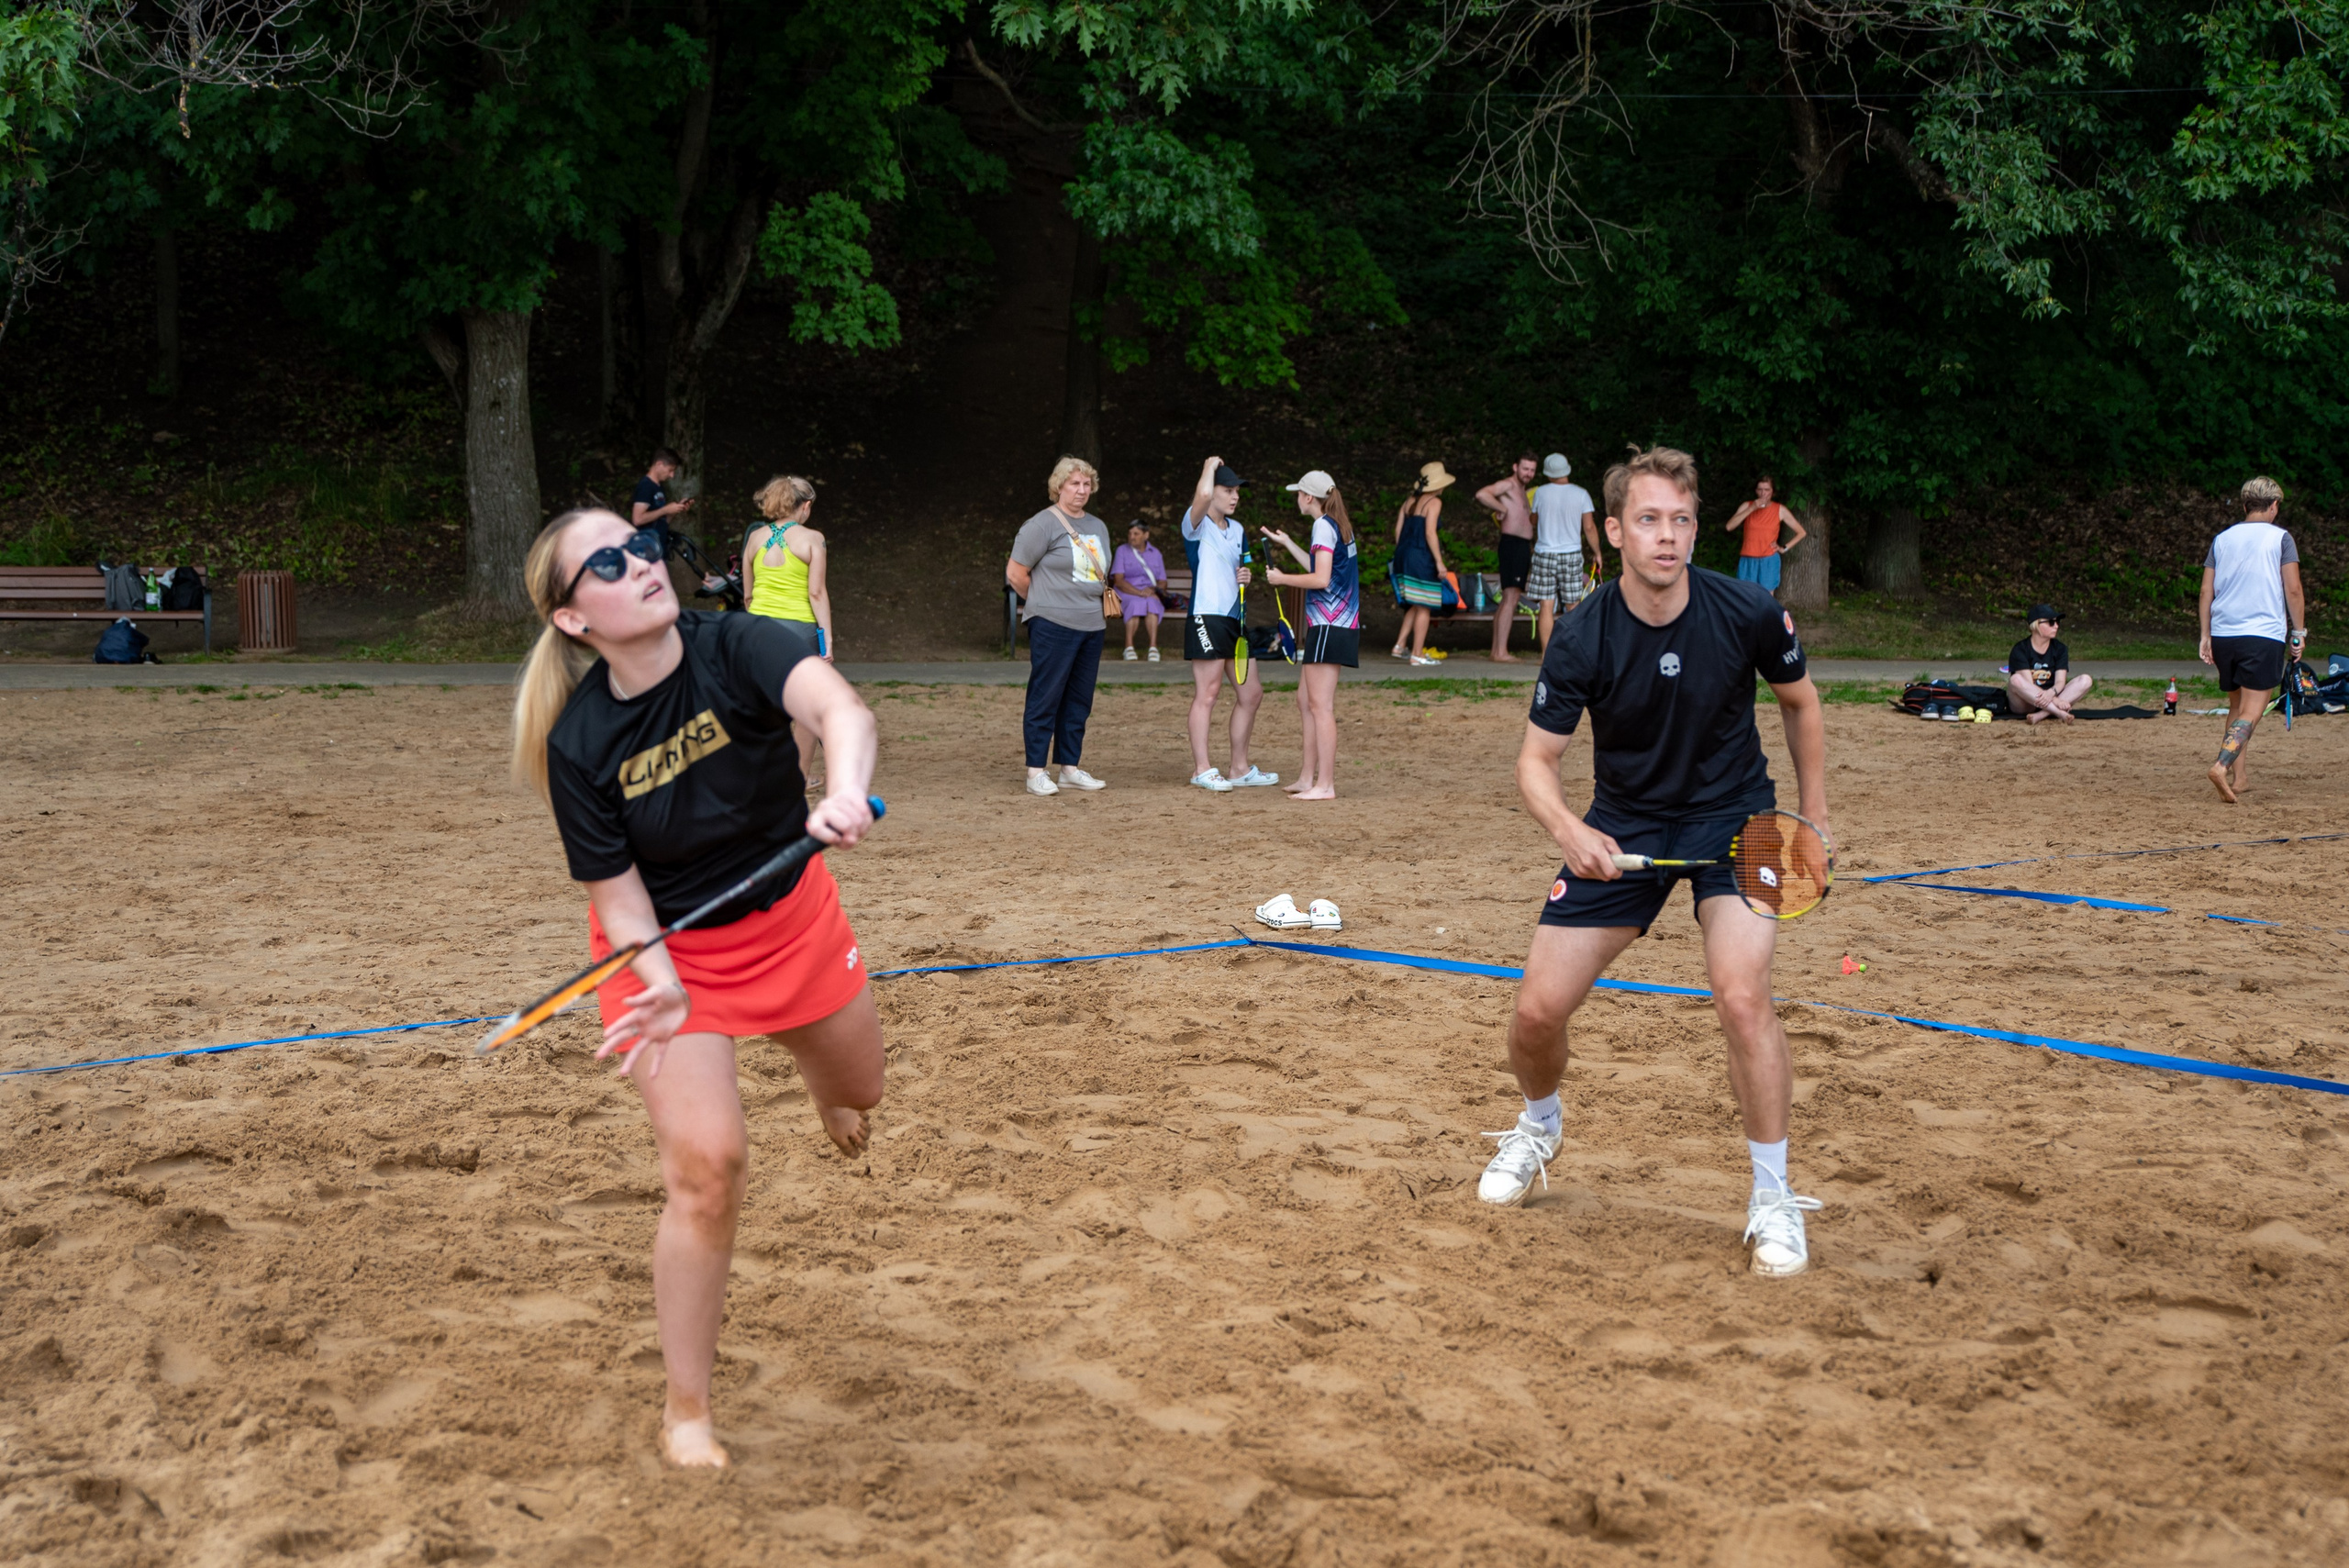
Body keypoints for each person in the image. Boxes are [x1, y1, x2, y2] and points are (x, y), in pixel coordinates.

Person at [511, 506, 883, 1471]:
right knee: (707, 1169)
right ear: (570, 618)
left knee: (860, 1091)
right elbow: (620, 898)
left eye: (640, 547)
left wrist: (842, 786)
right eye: (605, 561)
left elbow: (841, 710)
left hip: (790, 913)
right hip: (671, 956)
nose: (637, 563)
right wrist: (662, 984)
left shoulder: (739, 642)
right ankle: (686, 1410)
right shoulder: (579, 742)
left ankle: (817, 1068)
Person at [1478, 446, 1831, 1281]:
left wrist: (1812, 817)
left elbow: (1801, 702)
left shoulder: (1749, 610)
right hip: (1623, 831)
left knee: (1743, 996)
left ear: (1696, 528)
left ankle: (1773, 1197)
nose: (1666, 537)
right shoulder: (1583, 633)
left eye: (1679, 520)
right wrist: (1569, 829)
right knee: (1535, 1013)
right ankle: (1539, 1123)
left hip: (1737, 825)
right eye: (1648, 520)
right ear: (1614, 531)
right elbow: (1535, 763)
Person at [1008, 456, 1117, 796]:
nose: (1081, 490)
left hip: (1091, 624)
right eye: (1074, 484)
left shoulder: (1098, 526)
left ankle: (1069, 767)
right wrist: (1043, 602)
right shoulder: (1041, 524)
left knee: (1079, 700)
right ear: (1059, 486)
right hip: (1053, 623)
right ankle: (1035, 771)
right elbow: (1015, 574)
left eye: (1087, 484)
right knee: (1046, 696)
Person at [2199, 475, 2308, 803]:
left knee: (2236, 705)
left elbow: (2207, 590)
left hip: (2225, 634)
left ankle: (2240, 777)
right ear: (2274, 506)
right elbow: (2293, 589)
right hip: (2262, 634)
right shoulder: (2281, 539)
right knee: (2254, 710)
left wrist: (2205, 634)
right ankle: (2221, 766)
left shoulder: (2222, 539)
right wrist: (2298, 633)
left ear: (2245, 506)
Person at [1181, 456, 1278, 791]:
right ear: (1213, 490)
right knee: (1207, 694)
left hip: (1235, 619)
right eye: (1228, 490)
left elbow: (1239, 569)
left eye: (1237, 491)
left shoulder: (1237, 530)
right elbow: (1202, 498)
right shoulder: (1195, 525)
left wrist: (1246, 575)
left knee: (1251, 694)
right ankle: (1202, 768)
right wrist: (1207, 466)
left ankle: (1238, 767)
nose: (1235, 497)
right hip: (1205, 616)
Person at [1264, 470, 1360, 800]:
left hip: (1330, 624)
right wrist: (1288, 542)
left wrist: (1281, 578)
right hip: (1333, 624)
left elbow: (1319, 580)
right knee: (1306, 701)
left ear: (1308, 497)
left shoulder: (1322, 525)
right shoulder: (1335, 523)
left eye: (1298, 494)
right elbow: (1323, 568)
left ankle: (1326, 785)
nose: (1296, 499)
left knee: (1320, 706)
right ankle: (1308, 778)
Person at [741, 474, 830, 776]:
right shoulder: (812, 539)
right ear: (805, 507)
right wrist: (826, 640)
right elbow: (816, 593)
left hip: (758, 630)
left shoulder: (754, 538)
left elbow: (748, 596)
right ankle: (798, 778)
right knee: (807, 709)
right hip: (799, 631)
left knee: (761, 703)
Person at [1528, 453, 1601, 651]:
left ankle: (1546, 655)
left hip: (1544, 554)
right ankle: (1575, 653)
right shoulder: (1581, 494)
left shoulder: (1540, 493)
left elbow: (1532, 521)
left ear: (1548, 473)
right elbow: (1589, 527)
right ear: (1567, 469)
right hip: (1570, 555)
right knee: (1573, 606)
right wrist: (1597, 552)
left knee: (1546, 605)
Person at [632, 448, 727, 595]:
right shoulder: (646, 486)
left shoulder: (659, 488)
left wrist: (675, 510)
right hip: (646, 550)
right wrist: (665, 510)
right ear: (659, 464)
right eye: (670, 470)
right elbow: (638, 519)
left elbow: (661, 521)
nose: (672, 475)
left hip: (659, 548)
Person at [1475, 453, 1540, 662]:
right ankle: (1501, 651)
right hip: (1512, 544)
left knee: (1508, 598)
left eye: (1532, 470)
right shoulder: (1508, 485)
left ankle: (1497, 650)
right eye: (1525, 469)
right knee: (1511, 597)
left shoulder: (1523, 491)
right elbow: (1482, 494)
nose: (1528, 473)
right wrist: (1500, 508)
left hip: (1520, 545)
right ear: (1515, 467)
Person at [1389, 462, 1455, 666]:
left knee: (1416, 601)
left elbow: (1397, 531)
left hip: (1403, 555)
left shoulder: (1409, 501)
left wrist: (1403, 552)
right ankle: (1417, 654)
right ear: (1438, 485)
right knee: (1426, 604)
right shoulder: (1434, 503)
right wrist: (1439, 562)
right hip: (1421, 557)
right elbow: (1429, 533)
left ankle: (1400, 645)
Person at [1724, 476, 1809, 597]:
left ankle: (1766, 617)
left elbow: (1801, 532)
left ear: (1773, 492)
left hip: (1769, 560)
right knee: (1744, 597)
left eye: (1767, 490)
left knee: (1766, 599)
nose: (1763, 493)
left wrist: (1783, 548)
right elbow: (1729, 527)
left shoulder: (1779, 509)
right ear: (1756, 491)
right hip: (1748, 558)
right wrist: (1752, 508)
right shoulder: (1747, 506)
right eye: (1760, 489)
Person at [2007, 605, 2090, 724]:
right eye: (2051, 622)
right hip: (2026, 703)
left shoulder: (2060, 648)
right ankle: (2058, 712)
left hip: (2051, 695)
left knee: (2086, 680)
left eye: (2057, 622)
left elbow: (2060, 682)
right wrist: (2056, 701)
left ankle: (2041, 715)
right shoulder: (2020, 649)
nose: (2056, 626)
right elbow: (2028, 686)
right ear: (2036, 625)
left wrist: (2051, 693)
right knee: (2015, 679)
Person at [1112, 520, 1168, 662]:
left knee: (1152, 603)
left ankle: (1153, 647)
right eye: (1130, 533)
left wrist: (1155, 590)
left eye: (1136, 534)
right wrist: (1138, 592)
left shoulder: (1155, 553)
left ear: (1146, 535)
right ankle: (1128, 647)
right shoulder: (1122, 551)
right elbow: (1119, 580)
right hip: (1126, 592)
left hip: (1148, 592)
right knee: (1136, 603)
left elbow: (1162, 580)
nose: (1132, 537)